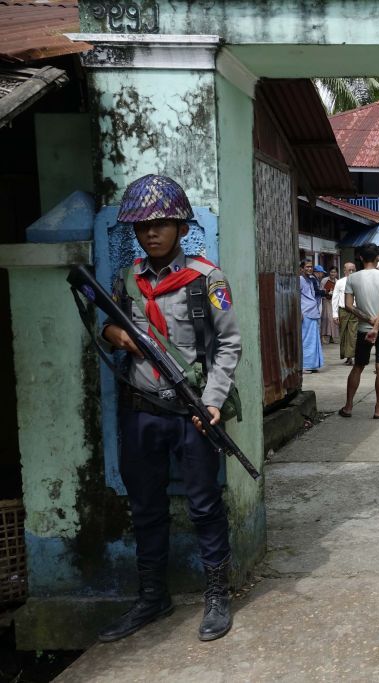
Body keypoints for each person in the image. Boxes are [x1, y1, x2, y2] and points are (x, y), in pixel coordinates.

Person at [97, 174, 240, 642]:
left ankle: (217, 596)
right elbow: (106, 329)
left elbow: (228, 344)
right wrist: (116, 335)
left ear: (181, 227)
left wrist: (213, 401)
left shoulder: (207, 279)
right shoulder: (127, 281)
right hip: (141, 411)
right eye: (143, 226)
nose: (151, 233)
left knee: (204, 505)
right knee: (145, 507)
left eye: (161, 224)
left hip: (191, 413)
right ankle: (152, 597)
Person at [338, 243, 379, 419]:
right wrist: (377, 326)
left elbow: (348, 305)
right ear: (378, 258)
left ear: (361, 258)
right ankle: (378, 409)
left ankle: (348, 407)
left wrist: (369, 320)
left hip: (364, 329)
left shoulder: (352, 278)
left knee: (358, 366)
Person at [299, 259, 324, 373]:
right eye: (307, 267)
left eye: (311, 267)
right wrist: (299, 311)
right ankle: (304, 365)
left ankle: (312, 365)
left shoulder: (310, 280)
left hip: (313, 313)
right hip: (305, 313)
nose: (309, 269)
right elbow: (296, 296)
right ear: (301, 268)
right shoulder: (300, 279)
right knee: (305, 340)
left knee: (313, 341)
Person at [331, 262, 358, 365]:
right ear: (344, 271)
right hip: (343, 310)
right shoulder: (340, 282)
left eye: (353, 270)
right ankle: (347, 356)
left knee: (353, 334)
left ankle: (352, 356)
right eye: (349, 270)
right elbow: (335, 298)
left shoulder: (359, 282)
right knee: (343, 334)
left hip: (355, 310)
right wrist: (335, 314)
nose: (351, 272)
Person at [321, 267, 339, 343]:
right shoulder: (324, 280)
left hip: (334, 302)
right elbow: (321, 290)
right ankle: (325, 337)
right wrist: (327, 292)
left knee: (334, 318)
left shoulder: (338, 281)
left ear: (337, 273)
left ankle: (333, 337)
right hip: (326, 301)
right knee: (327, 318)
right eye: (331, 272)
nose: (333, 274)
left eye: (334, 272)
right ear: (329, 272)